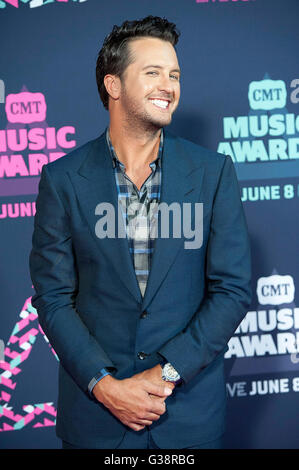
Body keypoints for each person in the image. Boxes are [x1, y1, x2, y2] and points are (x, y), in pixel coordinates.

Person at [29, 15, 251, 450]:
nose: (168, 85)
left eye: (175, 75)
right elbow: (54, 297)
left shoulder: (213, 173)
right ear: (113, 85)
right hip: (96, 421)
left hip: (186, 418)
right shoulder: (62, 179)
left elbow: (232, 290)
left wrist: (166, 373)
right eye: (153, 73)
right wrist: (106, 386)